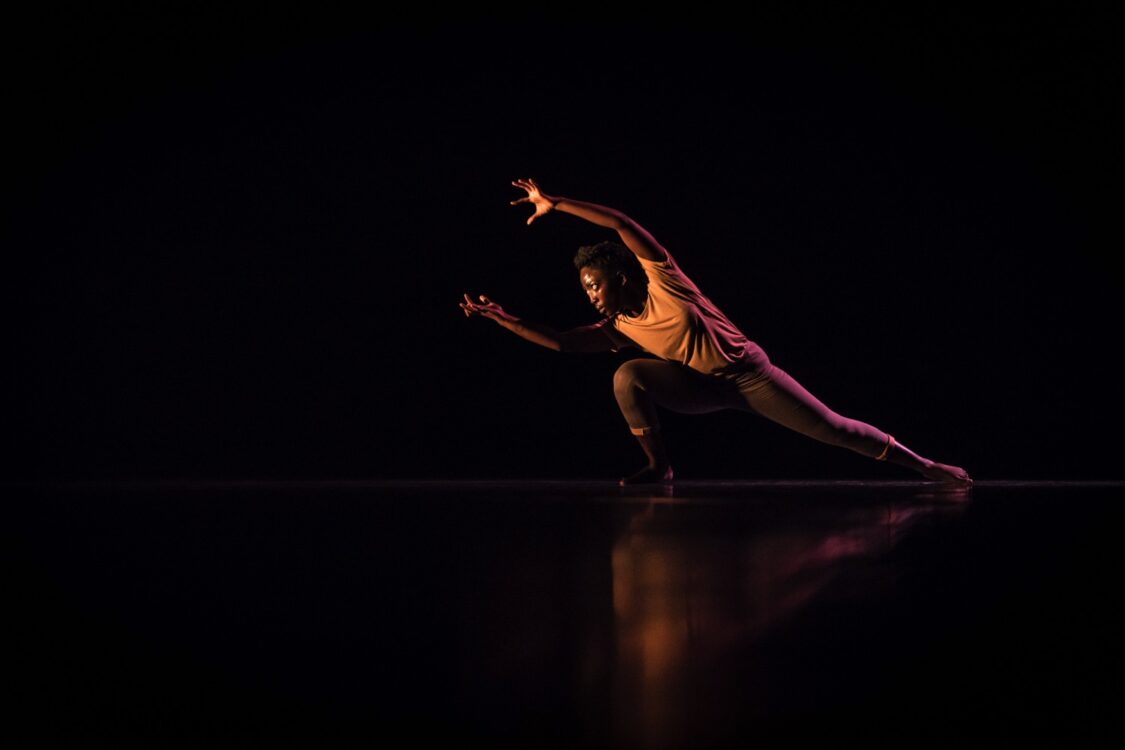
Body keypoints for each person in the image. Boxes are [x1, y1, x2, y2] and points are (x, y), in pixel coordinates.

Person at [461, 178, 972, 488]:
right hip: (702, 388)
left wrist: (557, 203)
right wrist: (503, 319)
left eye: (595, 285)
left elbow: (620, 223)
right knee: (627, 377)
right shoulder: (619, 328)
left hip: (751, 376)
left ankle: (925, 466)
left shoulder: (663, 277)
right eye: (585, 290)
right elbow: (563, 343)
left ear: (618, 276)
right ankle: (660, 469)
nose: (591, 295)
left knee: (835, 430)